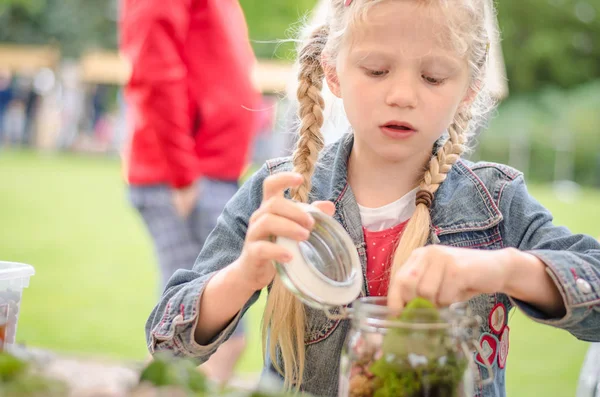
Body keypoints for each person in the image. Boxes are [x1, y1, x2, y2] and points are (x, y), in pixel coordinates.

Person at [144, 1, 600, 396]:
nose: (402, 95)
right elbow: (167, 342)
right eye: (377, 70)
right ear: (333, 73)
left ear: (470, 89)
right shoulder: (281, 194)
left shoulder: (498, 202)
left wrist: (506, 268)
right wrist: (243, 273)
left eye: (434, 76)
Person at [118, 0, 261, 383]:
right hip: (188, 177)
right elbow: (154, 70)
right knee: (196, 340)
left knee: (199, 341)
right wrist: (182, 174)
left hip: (209, 172)